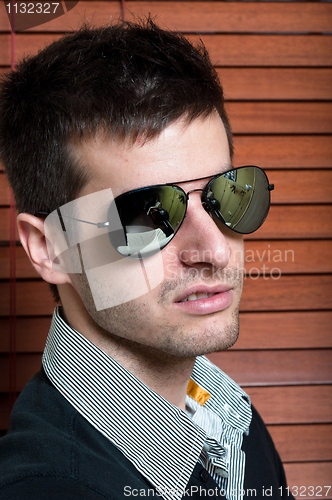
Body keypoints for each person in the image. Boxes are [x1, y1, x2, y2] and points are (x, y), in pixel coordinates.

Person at [0, 20, 294, 500]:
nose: (215, 251)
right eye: (144, 214)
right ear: (50, 248)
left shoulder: (228, 416)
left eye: (226, 194)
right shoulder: (45, 487)